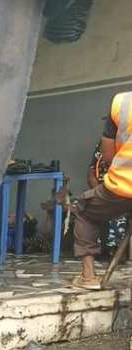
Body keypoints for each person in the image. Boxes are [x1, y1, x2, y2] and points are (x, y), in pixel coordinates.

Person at [72, 91, 132, 289]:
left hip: (123, 186)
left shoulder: (122, 102)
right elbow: (94, 168)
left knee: (83, 210)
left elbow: (108, 156)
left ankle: (88, 277)